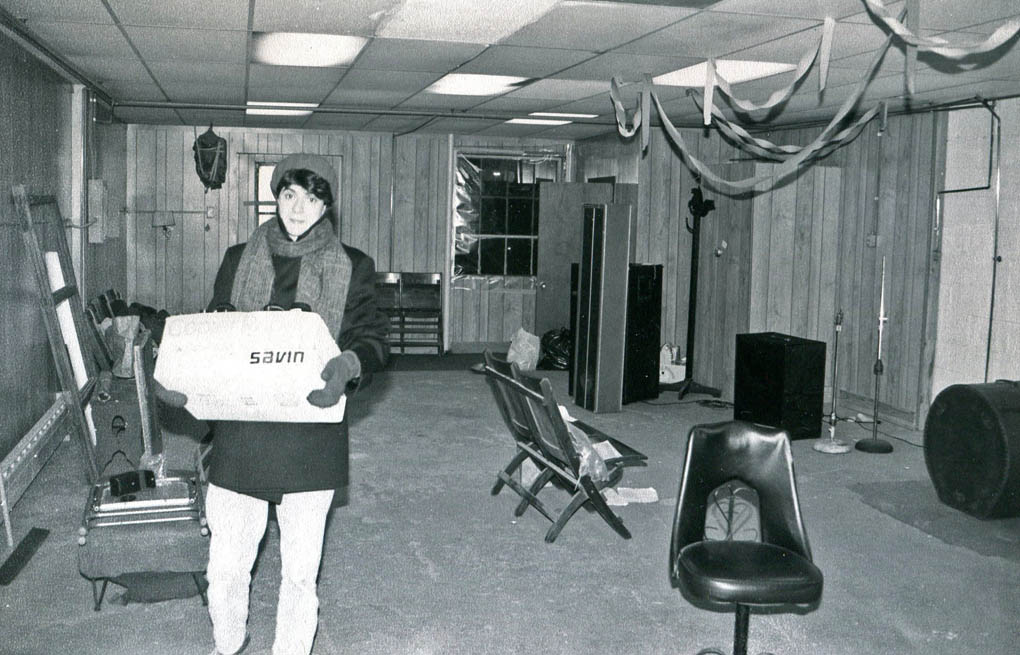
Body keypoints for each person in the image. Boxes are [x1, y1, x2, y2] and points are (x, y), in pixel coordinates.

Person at [159, 153, 388, 655]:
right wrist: (187, 377)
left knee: (300, 572)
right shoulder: (239, 257)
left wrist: (347, 367)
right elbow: (217, 329)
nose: (299, 208)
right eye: (289, 195)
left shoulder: (355, 266)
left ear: (327, 204)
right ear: (275, 197)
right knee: (226, 562)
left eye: (312, 197)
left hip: (311, 433)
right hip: (243, 431)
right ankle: (227, 644)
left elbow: (372, 340)